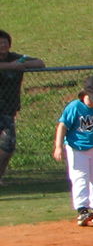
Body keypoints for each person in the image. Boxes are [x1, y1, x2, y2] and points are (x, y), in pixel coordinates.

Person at [52, 75, 93, 226]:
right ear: (84, 94)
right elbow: (62, 126)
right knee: (80, 177)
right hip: (77, 148)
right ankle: (82, 210)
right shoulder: (74, 107)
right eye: (92, 98)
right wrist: (58, 146)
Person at [0, 29, 46, 186]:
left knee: (8, 146)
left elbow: (40, 63)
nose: (3, 45)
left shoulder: (16, 58)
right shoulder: (11, 62)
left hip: (8, 109)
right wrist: (11, 67)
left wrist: (22, 65)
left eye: (5, 42)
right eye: (0, 43)